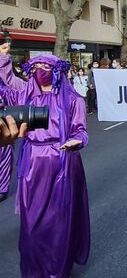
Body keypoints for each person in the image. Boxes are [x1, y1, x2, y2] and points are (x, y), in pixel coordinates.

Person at [0, 43, 90, 278]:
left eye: (45, 66)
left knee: (60, 219)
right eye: (37, 66)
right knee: (33, 220)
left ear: (57, 71)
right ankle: (34, 270)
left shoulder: (73, 100)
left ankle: (57, 269)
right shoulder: (24, 95)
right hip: (32, 162)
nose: (41, 70)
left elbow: (81, 130)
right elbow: (6, 85)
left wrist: (76, 141)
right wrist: (3, 58)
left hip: (63, 162)